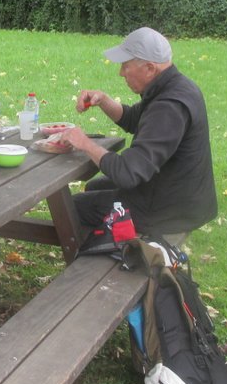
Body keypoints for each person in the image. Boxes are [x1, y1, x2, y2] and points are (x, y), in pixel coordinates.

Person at [60, 26, 218, 238]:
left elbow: (127, 173)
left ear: (150, 68)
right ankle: (106, 242)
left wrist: (85, 144)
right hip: (175, 193)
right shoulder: (175, 86)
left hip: (169, 211)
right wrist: (104, 100)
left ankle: (102, 251)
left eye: (125, 66)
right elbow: (135, 119)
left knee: (72, 207)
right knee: (95, 186)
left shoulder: (169, 107)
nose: (121, 73)